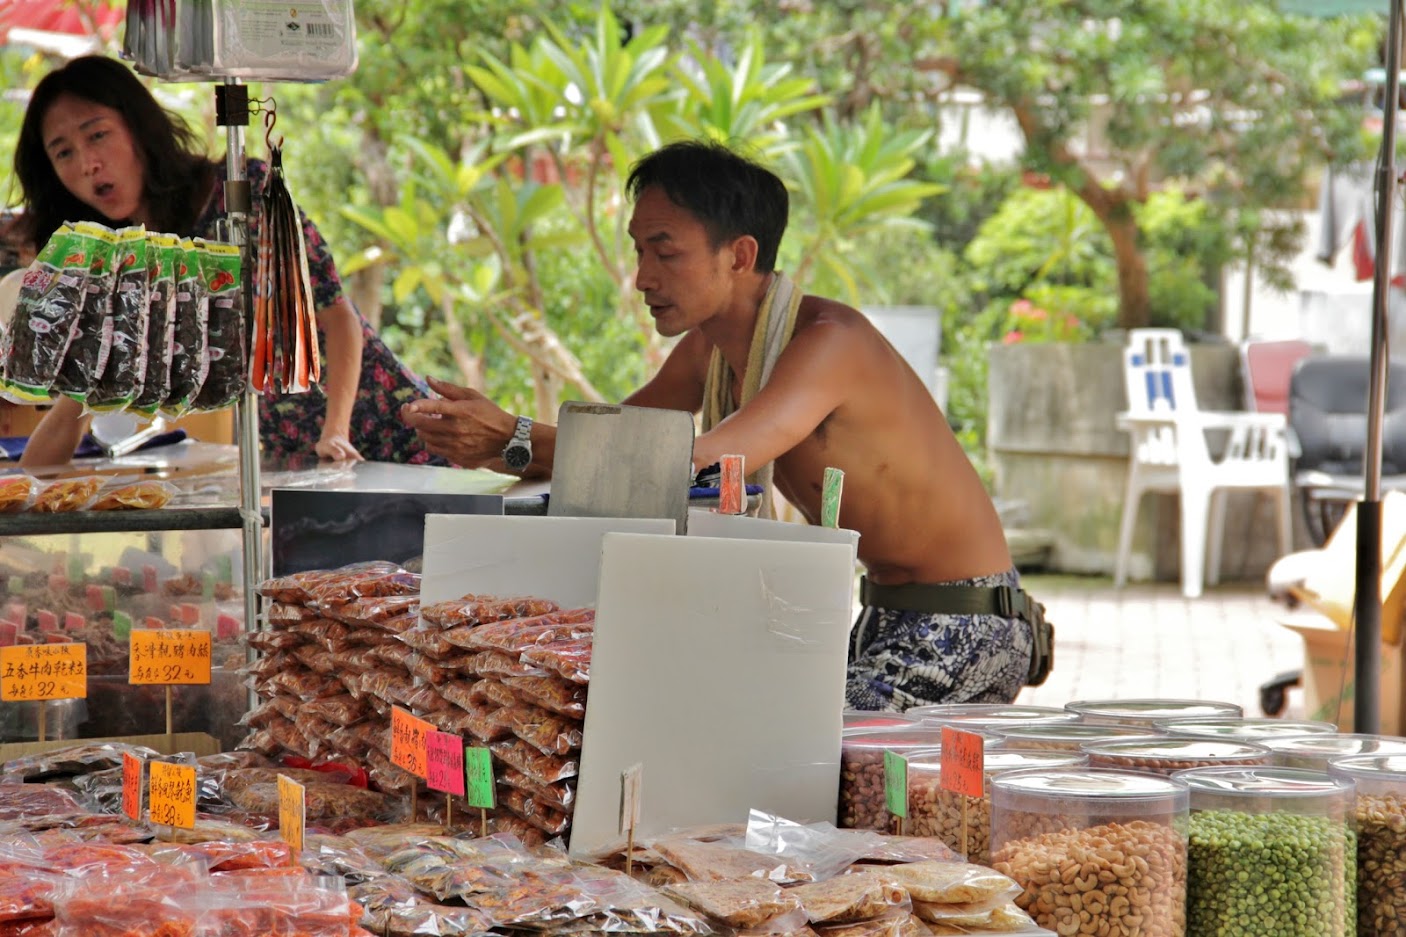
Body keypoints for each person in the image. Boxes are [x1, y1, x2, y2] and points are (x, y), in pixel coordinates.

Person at [401, 140, 1051, 711]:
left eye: (665, 252)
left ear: (739, 256)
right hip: (881, 614)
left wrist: (513, 436)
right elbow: (614, 449)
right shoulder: (709, 349)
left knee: (767, 742)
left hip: (965, 624)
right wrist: (494, 440)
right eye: (637, 250)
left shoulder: (830, 343)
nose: (641, 277)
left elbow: (702, 464)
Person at [10, 55, 445, 468]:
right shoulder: (118, 264)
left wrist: (335, 432)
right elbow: (75, 403)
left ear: (138, 128)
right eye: (63, 152)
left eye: (97, 134)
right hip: (298, 457)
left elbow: (337, 316)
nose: (88, 163)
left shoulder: (243, 193)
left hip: (398, 432)